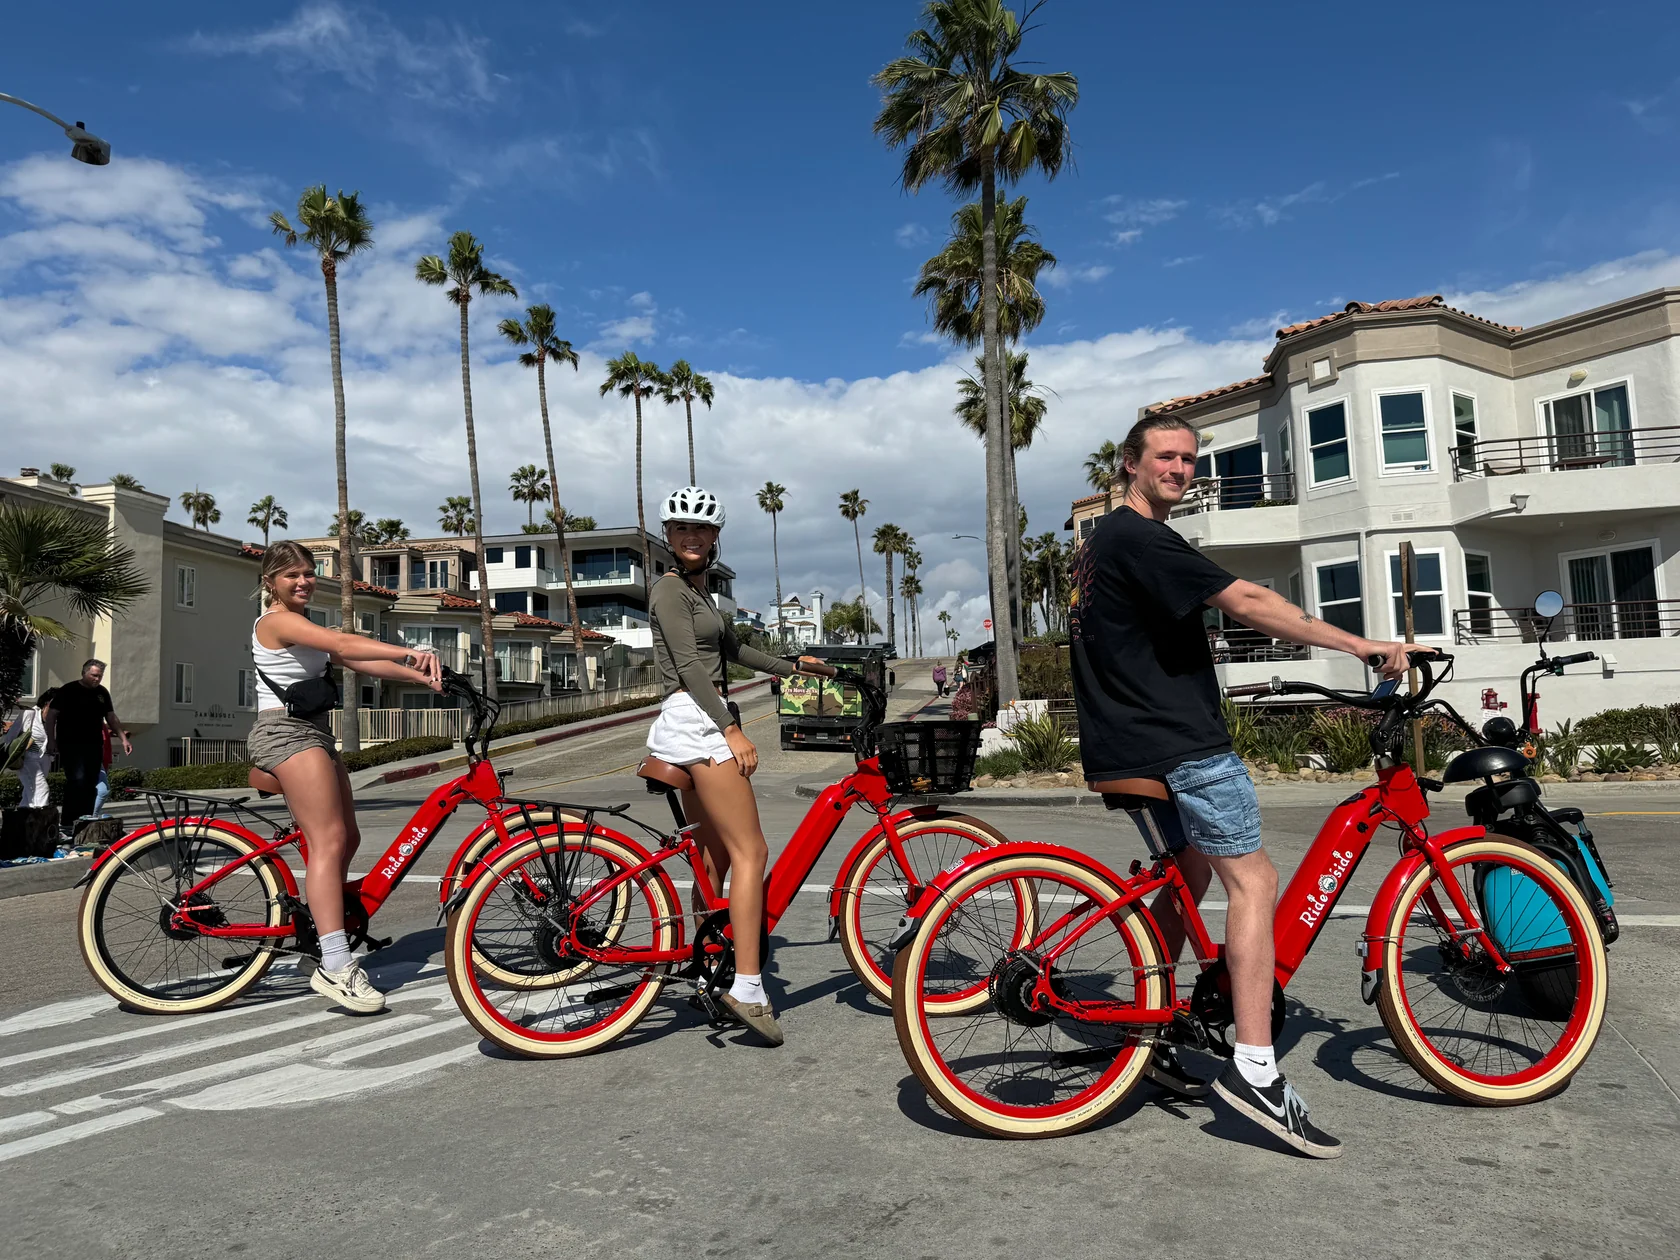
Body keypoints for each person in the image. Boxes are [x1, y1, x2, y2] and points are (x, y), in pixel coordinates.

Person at [1069, 414, 1412, 1159]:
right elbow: (1251, 602)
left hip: (1130, 738)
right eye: (1166, 456)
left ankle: (1148, 1022)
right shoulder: (1143, 539)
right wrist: (1362, 645)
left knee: (1188, 873)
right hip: (1178, 743)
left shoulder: (1105, 547)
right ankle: (1255, 1069)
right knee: (1253, 881)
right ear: (1130, 464)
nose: (1181, 468)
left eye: (1190, 459)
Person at [646, 486, 836, 1047]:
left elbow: (734, 650)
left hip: (694, 720)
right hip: (697, 720)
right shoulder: (669, 590)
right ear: (668, 536)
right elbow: (690, 668)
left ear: (714, 538)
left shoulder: (701, 594)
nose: (691, 537)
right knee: (753, 853)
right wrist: (731, 729)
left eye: (700, 531)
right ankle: (749, 988)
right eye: (681, 530)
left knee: (717, 857)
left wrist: (797, 666)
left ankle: (712, 961)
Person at [249, 540, 443, 1014]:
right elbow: (343, 643)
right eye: (292, 574)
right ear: (270, 581)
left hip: (312, 733)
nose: (303, 581)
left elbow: (353, 660)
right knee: (329, 839)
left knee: (346, 838)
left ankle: (322, 931)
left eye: (309, 573)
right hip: (284, 734)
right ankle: (335, 964)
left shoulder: (304, 625)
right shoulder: (275, 622)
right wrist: (409, 650)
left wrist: (422, 676)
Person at [43, 661, 130, 837]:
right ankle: (67, 822)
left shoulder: (102, 693)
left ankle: (85, 821)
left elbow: (111, 717)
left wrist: (123, 738)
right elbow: (51, 715)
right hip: (71, 744)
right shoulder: (68, 690)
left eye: (100, 676)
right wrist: (51, 740)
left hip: (93, 744)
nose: (97, 679)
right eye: (94, 675)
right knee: (77, 780)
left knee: (91, 784)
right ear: (84, 673)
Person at [2, 689, 54, 809]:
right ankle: (41, 821)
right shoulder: (29, 714)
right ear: (46, 703)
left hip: (45, 759)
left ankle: (20, 822)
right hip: (27, 759)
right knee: (41, 789)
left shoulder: (57, 719)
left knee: (29, 795)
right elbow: (10, 737)